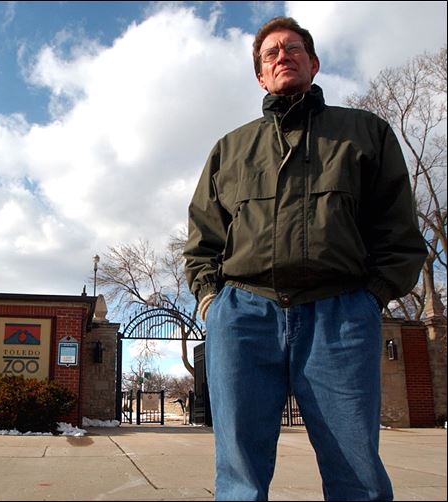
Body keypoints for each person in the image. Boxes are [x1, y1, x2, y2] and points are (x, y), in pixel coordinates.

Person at [183, 16, 427, 502]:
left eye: (292, 48)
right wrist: (212, 300)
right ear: (260, 75)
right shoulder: (230, 149)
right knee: (239, 474)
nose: (282, 56)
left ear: (313, 63)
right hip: (245, 316)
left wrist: (372, 297)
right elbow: (202, 238)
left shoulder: (365, 133)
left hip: (340, 315)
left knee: (357, 472)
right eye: (270, 53)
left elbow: (398, 230)